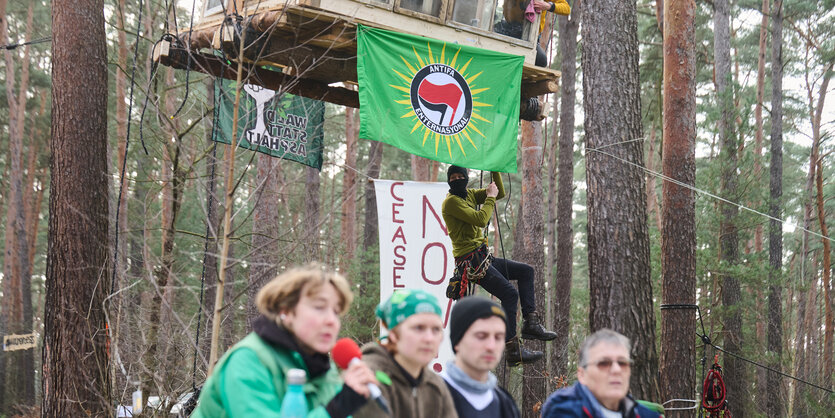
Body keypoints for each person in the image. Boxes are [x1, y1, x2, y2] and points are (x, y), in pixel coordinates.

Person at [192, 265, 378, 417]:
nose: (331, 320)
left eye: (336, 312)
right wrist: (338, 407)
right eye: (319, 307)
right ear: (286, 312)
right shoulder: (247, 360)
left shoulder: (321, 365)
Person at [442, 165, 556, 365]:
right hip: (471, 262)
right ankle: (512, 349)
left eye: (461, 176)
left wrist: (494, 168)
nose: (457, 180)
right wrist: (490, 197)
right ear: (449, 180)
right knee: (510, 295)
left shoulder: (468, 195)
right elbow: (481, 219)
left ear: (467, 178)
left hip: (483, 257)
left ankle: (531, 322)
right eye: (453, 177)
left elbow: (499, 193)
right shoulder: (450, 202)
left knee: (526, 271)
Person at [352, 289, 458, 418]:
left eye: (436, 329)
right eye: (419, 328)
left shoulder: (435, 386)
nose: (429, 338)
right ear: (394, 334)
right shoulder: (368, 378)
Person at [541, 329, 662, 418]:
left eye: (622, 363)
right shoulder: (562, 410)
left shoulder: (648, 415)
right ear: (582, 375)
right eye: (603, 363)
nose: (616, 370)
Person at [441, 296, 520, 418]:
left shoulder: (505, 403)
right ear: (457, 341)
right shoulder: (429, 395)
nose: (491, 346)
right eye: (481, 336)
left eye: (498, 337)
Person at [496, 0, 571, 66]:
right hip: (507, 28)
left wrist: (548, 6)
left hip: (530, 37)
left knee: (541, 61)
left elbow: (566, 8)